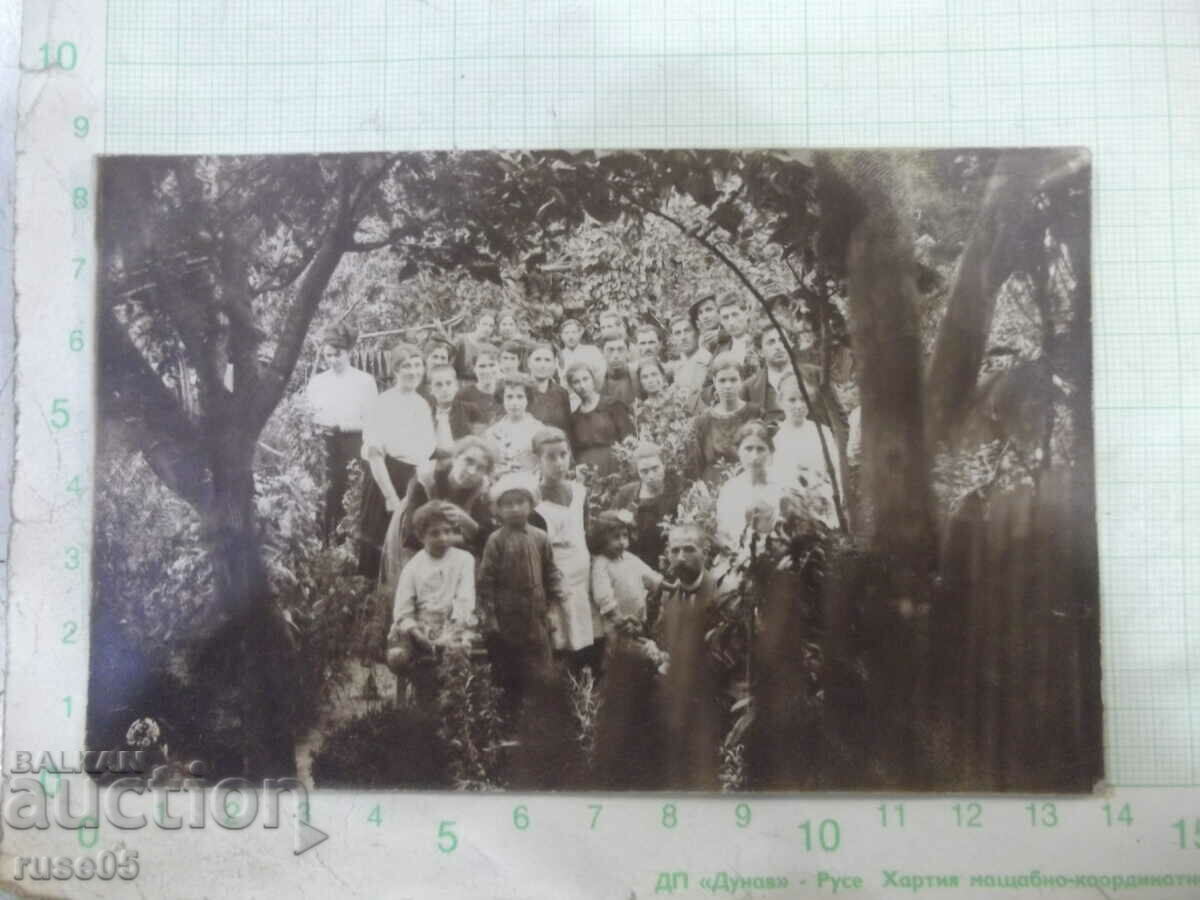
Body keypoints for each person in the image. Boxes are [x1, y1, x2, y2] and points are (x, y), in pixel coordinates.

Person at [477, 472, 566, 721]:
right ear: (498, 510)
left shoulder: (540, 537)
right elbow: (486, 581)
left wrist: (553, 610)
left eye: (520, 502)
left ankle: (539, 719)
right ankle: (508, 718)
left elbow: (551, 573)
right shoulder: (496, 540)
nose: (515, 509)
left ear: (530, 505)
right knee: (507, 668)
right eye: (507, 504)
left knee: (539, 666)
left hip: (536, 615)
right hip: (507, 616)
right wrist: (491, 617)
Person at [653, 522, 728, 789]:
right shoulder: (668, 595)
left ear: (705, 552)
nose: (681, 558)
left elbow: (729, 658)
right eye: (675, 551)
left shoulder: (724, 594)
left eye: (689, 549)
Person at [386, 501, 477, 710]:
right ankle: (426, 710)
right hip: (422, 627)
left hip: (454, 625)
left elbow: (465, 598)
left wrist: (451, 630)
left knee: (455, 656)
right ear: (421, 536)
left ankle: (455, 710)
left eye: (448, 531)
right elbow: (403, 609)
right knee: (417, 663)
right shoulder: (414, 566)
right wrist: (419, 634)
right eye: (435, 533)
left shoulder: (464, 559)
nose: (443, 538)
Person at [358, 342, 436, 580]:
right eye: (406, 366)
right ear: (395, 371)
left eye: (417, 365)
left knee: (411, 543)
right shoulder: (383, 403)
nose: (413, 371)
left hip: (415, 479)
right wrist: (391, 497)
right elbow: (375, 454)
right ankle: (376, 607)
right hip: (388, 478)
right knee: (382, 543)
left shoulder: (422, 403)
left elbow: (425, 449)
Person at [304, 325, 378, 546]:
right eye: (329, 355)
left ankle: (350, 541)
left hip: (353, 441)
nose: (334, 360)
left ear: (349, 352)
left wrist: (342, 425)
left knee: (351, 489)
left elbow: (373, 419)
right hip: (324, 444)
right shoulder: (317, 382)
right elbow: (309, 414)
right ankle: (325, 541)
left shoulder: (364, 381)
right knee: (327, 490)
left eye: (339, 354)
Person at [532, 427, 596, 668]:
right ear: (537, 459)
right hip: (557, 580)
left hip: (583, 576)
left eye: (563, 454)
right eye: (550, 457)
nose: (559, 463)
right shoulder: (535, 502)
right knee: (560, 640)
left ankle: (585, 696)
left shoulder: (579, 492)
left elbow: (585, 532)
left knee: (585, 639)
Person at [770, 372, 839, 528]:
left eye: (803, 399)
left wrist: (828, 497)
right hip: (786, 506)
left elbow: (835, 471)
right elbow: (772, 475)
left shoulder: (822, 432)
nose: (799, 405)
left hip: (820, 503)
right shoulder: (775, 435)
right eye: (792, 400)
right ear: (780, 401)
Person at [716, 421, 797, 549]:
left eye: (761, 449)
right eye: (748, 449)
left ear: (770, 452)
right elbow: (723, 534)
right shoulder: (730, 489)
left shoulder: (782, 487)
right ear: (738, 451)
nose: (754, 457)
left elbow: (791, 532)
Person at [687, 352, 762, 485]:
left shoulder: (755, 413)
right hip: (713, 486)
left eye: (733, 380)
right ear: (714, 382)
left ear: (742, 380)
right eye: (722, 380)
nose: (728, 386)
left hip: (748, 482)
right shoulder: (702, 421)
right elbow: (697, 466)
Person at [590, 510, 664, 628]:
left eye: (625, 535)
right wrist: (617, 618)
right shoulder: (601, 564)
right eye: (615, 537)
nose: (621, 542)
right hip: (618, 622)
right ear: (601, 539)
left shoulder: (628, 557)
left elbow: (647, 574)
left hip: (638, 618)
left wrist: (661, 583)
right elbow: (603, 596)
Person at [612, 443, 680, 568]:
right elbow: (612, 531)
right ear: (638, 472)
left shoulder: (676, 494)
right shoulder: (626, 495)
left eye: (655, 468)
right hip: (633, 564)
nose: (651, 476)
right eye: (644, 471)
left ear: (663, 466)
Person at [565, 361, 635, 476]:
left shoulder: (612, 405)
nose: (582, 386)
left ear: (593, 380)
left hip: (613, 466)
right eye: (576, 382)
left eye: (585, 379)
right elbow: (575, 452)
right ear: (572, 386)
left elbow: (627, 438)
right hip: (587, 472)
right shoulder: (574, 418)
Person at [486, 373, 545, 476]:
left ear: (528, 399)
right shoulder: (492, 432)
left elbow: (543, 464)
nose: (514, 402)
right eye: (509, 397)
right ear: (502, 399)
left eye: (520, 397)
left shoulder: (539, 430)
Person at [425, 363, 488, 456]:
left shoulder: (470, 410)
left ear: (456, 386)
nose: (444, 389)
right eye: (439, 385)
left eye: (448, 383)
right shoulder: (425, 413)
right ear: (431, 389)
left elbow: (480, 443)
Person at [739, 325, 793, 425]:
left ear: (791, 344)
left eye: (782, 340)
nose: (778, 346)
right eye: (771, 342)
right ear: (760, 351)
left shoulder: (814, 377)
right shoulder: (748, 388)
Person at [667, 313, 711, 414]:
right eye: (677, 333)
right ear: (673, 339)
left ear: (696, 333)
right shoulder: (678, 366)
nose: (683, 337)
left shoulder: (706, 360)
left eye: (687, 331)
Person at [526, 342, 572, 433]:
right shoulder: (521, 391)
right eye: (537, 359)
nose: (542, 365)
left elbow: (567, 429)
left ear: (554, 364)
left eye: (547, 360)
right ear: (528, 363)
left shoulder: (562, 394)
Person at [558, 317, 605, 397]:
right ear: (561, 336)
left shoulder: (592, 351)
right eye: (566, 333)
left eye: (574, 332)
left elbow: (601, 375)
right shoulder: (558, 356)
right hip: (568, 398)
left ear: (580, 333)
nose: (570, 336)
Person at [458, 343, 503, 424]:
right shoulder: (464, 395)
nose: (487, 371)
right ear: (474, 368)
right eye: (482, 366)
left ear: (499, 366)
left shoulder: (506, 391)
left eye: (492, 365)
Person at [454, 312, 496, 382]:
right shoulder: (462, 340)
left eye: (491, 326)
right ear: (477, 324)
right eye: (484, 324)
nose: (487, 328)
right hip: (460, 382)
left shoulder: (491, 348)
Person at [599, 334, 639, 408]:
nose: (615, 355)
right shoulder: (597, 381)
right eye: (610, 350)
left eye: (620, 350)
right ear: (602, 353)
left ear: (628, 353)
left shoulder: (638, 375)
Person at [716, 293, 753, 369]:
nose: (731, 322)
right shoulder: (720, 349)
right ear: (721, 321)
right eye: (725, 317)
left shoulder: (760, 342)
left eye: (735, 315)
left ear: (746, 314)